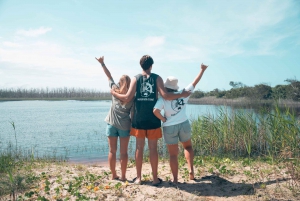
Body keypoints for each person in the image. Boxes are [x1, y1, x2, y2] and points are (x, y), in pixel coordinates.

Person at [111, 55, 191, 186]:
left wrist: (114, 93)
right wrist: (181, 94)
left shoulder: (135, 79)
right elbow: (165, 95)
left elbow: (126, 97)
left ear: (141, 65)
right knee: (153, 149)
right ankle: (154, 178)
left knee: (139, 148)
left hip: (139, 120)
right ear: (151, 65)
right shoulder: (157, 78)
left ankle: (138, 178)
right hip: (153, 120)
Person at [153, 63, 208, 184]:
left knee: (173, 155)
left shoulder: (163, 98)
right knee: (188, 147)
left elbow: (155, 111)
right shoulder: (184, 93)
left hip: (169, 127)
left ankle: (175, 179)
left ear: (166, 86)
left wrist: (163, 119)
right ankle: (191, 171)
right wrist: (202, 70)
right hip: (184, 124)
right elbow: (195, 82)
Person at [95, 56, 134, 181]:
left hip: (111, 125)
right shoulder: (132, 97)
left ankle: (113, 175)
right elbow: (133, 114)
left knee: (112, 151)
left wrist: (102, 63)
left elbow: (108, 75)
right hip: (125, 126)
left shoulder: (114, 89)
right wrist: (132, 126)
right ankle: (123, 177)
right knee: (123, 153)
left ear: (120, 82)